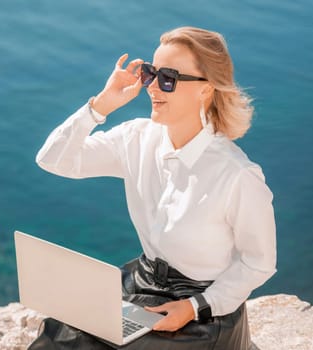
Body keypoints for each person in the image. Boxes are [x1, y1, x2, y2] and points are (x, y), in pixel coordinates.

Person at [33, 26, 276, 350]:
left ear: (206, 89)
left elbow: (258, 262)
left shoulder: (237, 176)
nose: (152, 87)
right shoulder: (136, 139)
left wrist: (193, 307)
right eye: (151, 73)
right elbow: (54, 160)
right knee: (59, 333)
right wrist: (100, 107)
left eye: (168, 78)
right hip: (142, 282)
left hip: (205, 312)